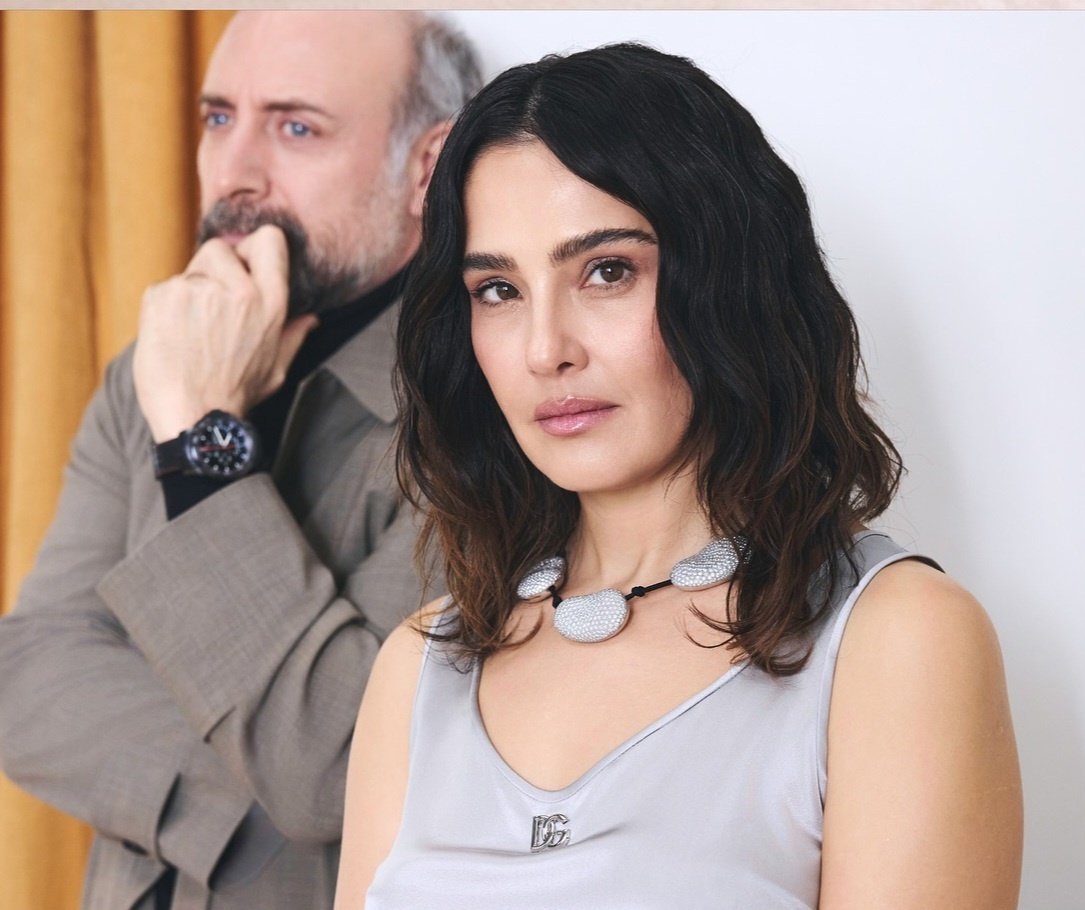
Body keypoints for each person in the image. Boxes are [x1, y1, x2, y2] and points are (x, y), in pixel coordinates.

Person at [334, 43, 1023, 909]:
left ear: (728, 281)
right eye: (498, 290)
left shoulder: (897, 641)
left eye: (607, 272)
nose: (546, 350)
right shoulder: (421, 665)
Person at [0, 11, 480, 910]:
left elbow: (327, 760)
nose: (235, 173)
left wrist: (200, 437)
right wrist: (242, 821)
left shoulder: (480, 411)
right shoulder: (150, 367)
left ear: (428, 167)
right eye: (219, 118)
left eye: (296, 128)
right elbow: (27, 675)